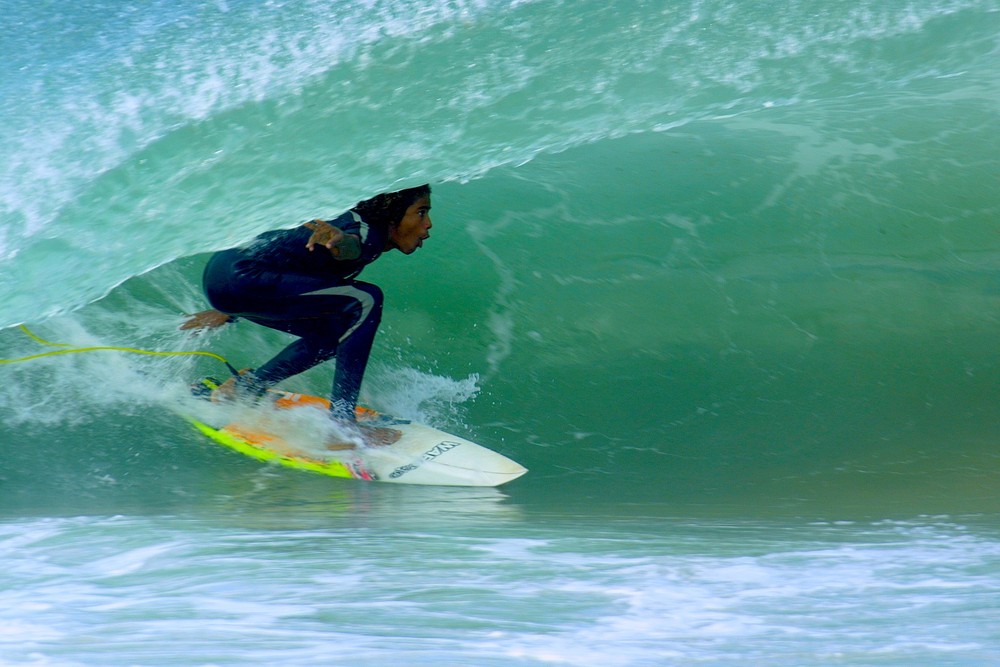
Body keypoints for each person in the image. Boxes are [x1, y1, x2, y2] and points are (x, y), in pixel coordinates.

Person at [181, 184, 433, 447]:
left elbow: (294, 266)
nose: (428, 224)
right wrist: (340, 243)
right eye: (421, 212)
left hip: (228, 276)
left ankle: (246, 388)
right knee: (367, 300)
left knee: (337, 331)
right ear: (392, 216)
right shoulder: (367, 232)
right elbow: (350, 246)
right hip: (241, 277)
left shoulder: (355, 222)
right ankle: (342, 426)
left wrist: (229, 308)